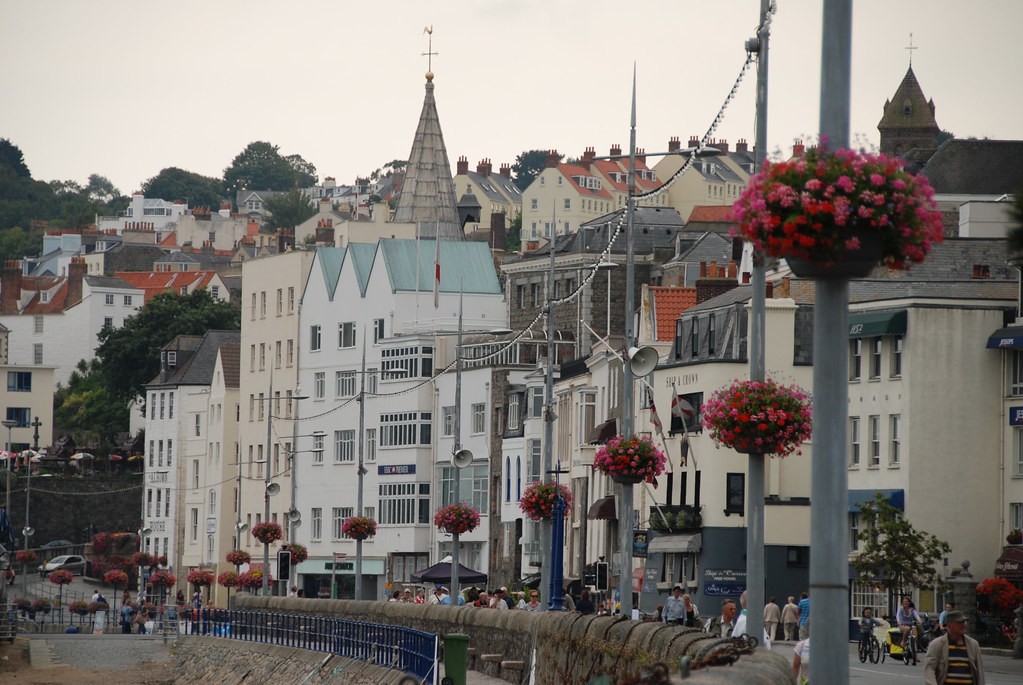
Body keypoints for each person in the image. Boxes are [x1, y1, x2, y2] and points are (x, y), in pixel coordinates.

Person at [923, 610, 985, 685]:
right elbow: (929, 669)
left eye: (964, 622)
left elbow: (980, 672)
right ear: (949, 626)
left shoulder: (973, 645)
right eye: (959, 623)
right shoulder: (936, 644)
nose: (963, 625)